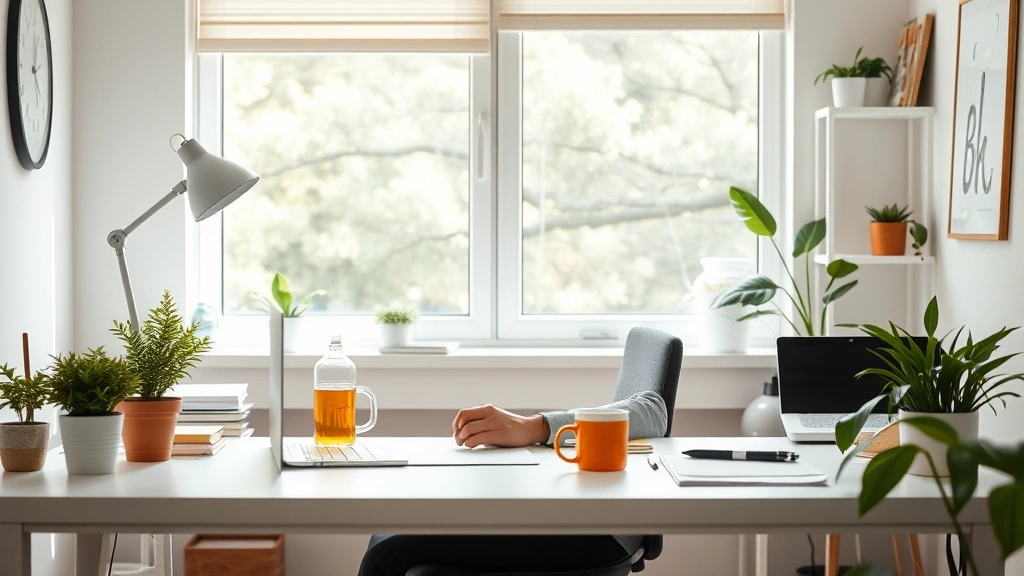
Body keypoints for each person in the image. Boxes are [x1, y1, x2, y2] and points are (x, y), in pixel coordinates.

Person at [358, 390, 668, 576]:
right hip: (582, 519)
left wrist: (534, 426)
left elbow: (653, 408)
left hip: (596, 537)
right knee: (384, 539)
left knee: (386, 552)